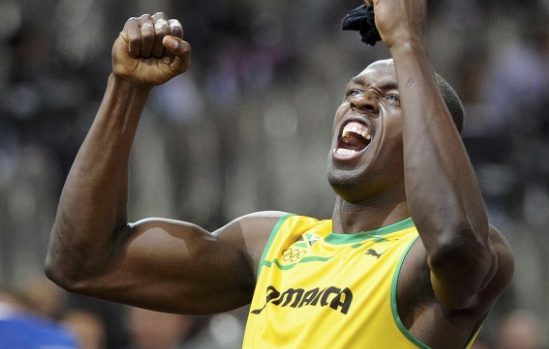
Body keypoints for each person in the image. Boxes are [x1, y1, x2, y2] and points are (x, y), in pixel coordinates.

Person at [45, 0, 514, 348]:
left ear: (434, 141)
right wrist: (125, 89)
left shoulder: (433, 260)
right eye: (355, 91)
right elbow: (82, 262)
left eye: (393, 98)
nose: (362, 100)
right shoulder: (270, 242)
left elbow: (454, 242)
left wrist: (407, 41)